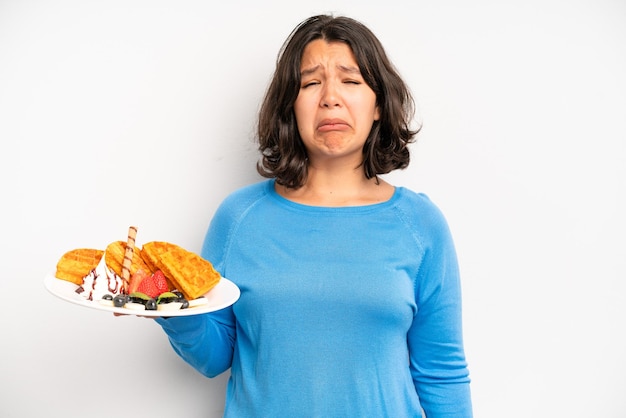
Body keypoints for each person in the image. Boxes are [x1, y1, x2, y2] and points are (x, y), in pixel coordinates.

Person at [155, 14, 472, 418]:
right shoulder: (239, 218)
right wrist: (168, 308)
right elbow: (215, 356)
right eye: (310, 83)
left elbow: (441, 373)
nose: (330, 97)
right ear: (291, 105)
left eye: (351, 80)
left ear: (378, 105)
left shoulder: (420, 224)